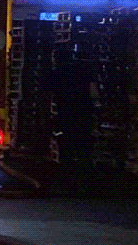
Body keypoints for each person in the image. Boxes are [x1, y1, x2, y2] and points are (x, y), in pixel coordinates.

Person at [48, 48, 96, 194]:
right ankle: (85, 184)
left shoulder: (55, 74)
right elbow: (94, 92)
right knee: (83, 151)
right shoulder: (84, 71)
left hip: (66, 117)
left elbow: (47, 95)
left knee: (66, 151)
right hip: (84, 116)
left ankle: (67, 184)